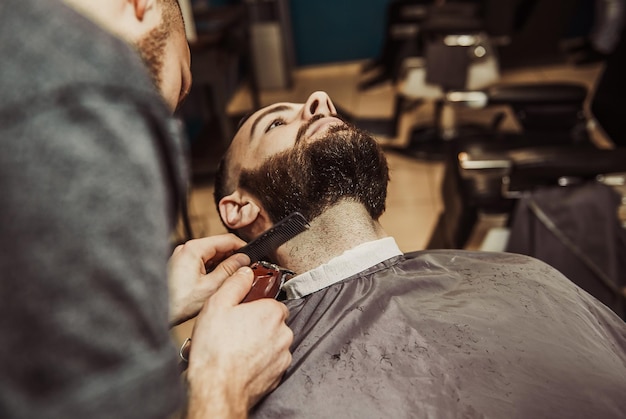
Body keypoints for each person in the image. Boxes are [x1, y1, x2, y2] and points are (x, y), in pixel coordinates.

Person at [213, 91, 626, 418]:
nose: (320, 100)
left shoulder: (523, 272)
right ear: (240, 207)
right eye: (278, 123)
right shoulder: (239, 380)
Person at [0, 1, 292, 418]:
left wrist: (161, 304)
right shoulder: (82, 104)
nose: (169, 111)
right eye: (183, 81)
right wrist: (221, 383)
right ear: (142, 5)